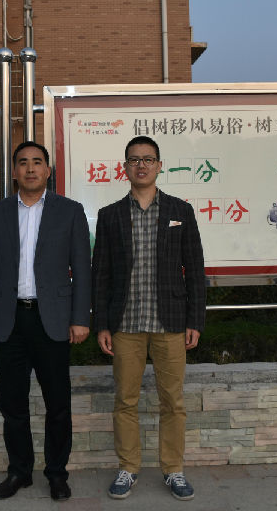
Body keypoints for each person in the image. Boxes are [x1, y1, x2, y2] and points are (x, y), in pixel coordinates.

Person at [91, 135, 206, 501]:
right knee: (125, 401)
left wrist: (195, 320)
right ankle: (128, 468)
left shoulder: (179, 210)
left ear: (159, 165)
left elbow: (195, 269)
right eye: (134, 159)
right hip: (125, 326)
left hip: (170, 323)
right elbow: (101, 274)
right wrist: (102, 324)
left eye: (148, 159)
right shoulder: (110, 215)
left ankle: (174, 470)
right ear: (125, 167)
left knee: (173, 402)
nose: (141, 165)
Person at [0, 140, 91, 502]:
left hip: (52, 319)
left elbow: (82, 269)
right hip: (9, 320)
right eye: (23, 162)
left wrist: (80, 318)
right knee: (13, 404)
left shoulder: (69, 211)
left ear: (47, 170)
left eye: (37, 162)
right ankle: (19, 472)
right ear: (14, 172)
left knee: (58, 404)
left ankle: (56, 473)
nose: (30, 168)